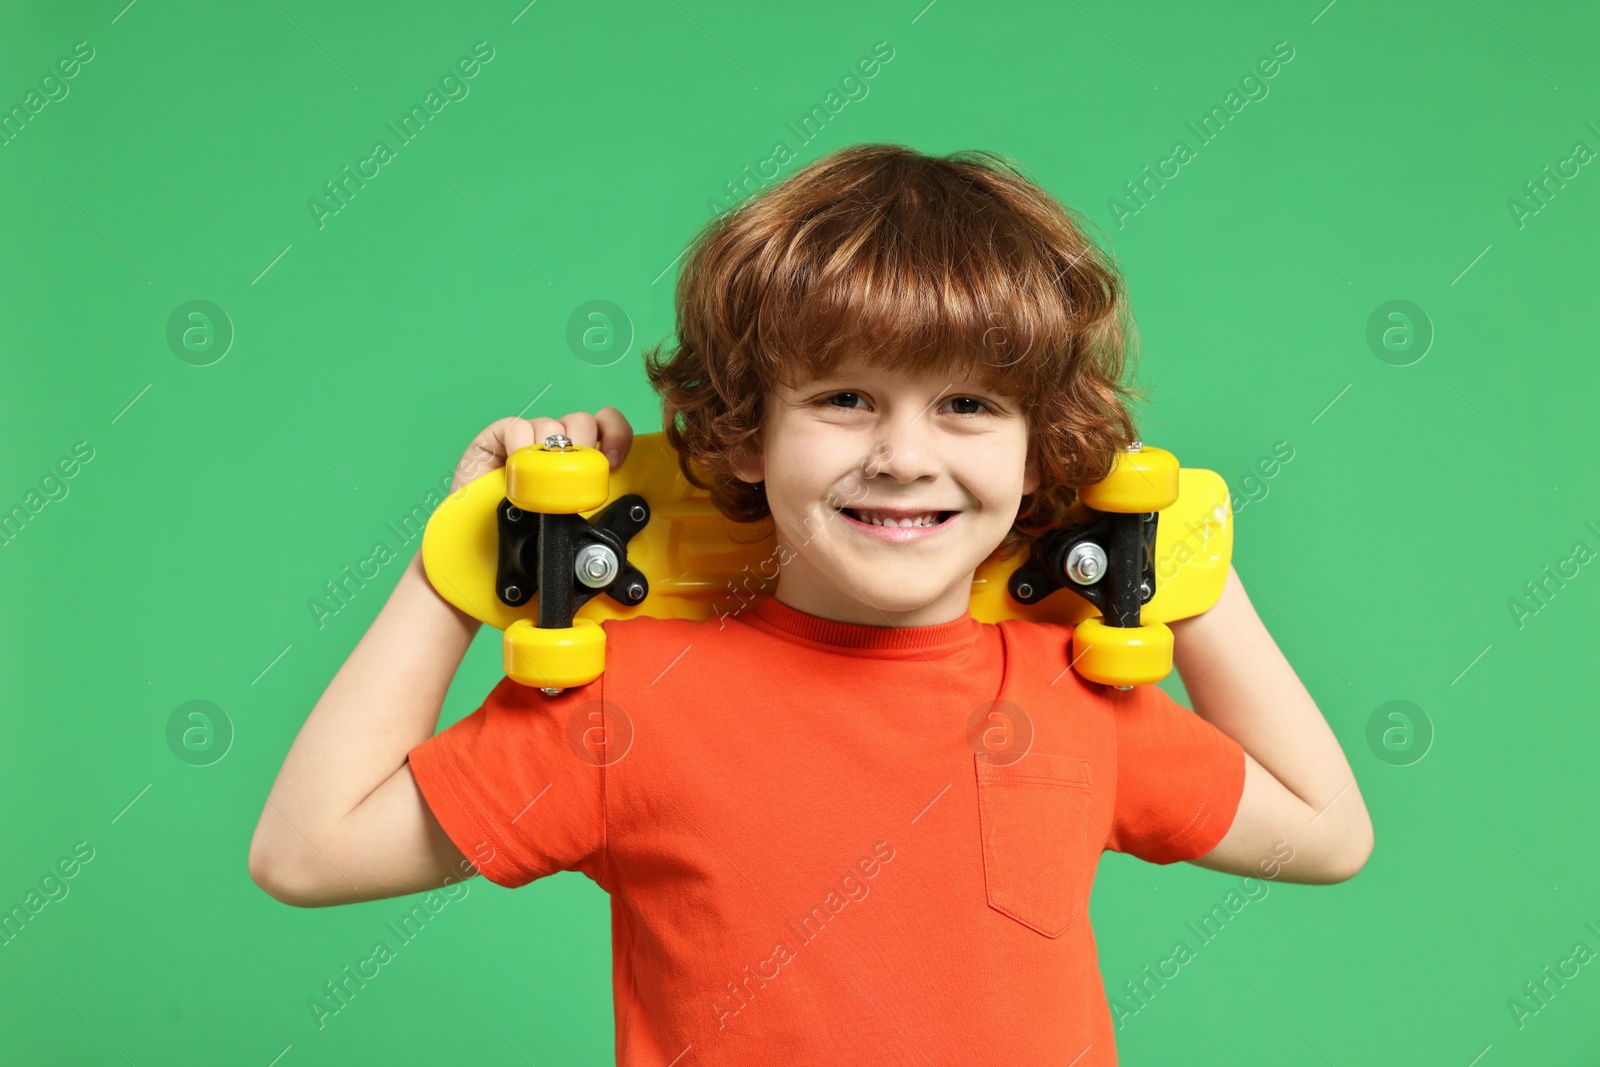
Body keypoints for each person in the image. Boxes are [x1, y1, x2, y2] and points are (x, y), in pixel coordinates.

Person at [248, 143, 1373, 1064]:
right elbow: (307, 851)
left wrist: (1179, 564)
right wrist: (465, 562)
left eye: (970, 405)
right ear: (747, 430)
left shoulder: (1067, 689)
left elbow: (1325, 832)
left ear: (1042, 453)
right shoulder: (630, 700)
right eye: (844, 397)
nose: (903, 456)